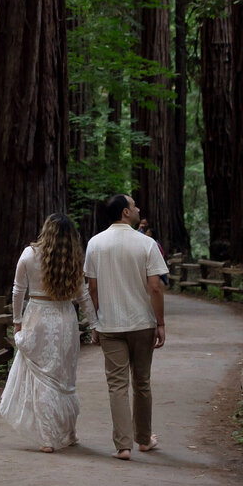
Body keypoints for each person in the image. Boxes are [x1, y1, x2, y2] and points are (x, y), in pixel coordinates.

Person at [0, 214, 94, 452]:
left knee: (43, 379)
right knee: (65, 378)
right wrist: (94, 324)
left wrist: (17, 321)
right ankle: (69, 433)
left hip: (37, 316)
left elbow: (18, 291)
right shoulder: (73, 259)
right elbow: (83, 296)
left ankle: (47, 438)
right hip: (65, 321)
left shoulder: (29, 255)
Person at [84, 193, 168, 460]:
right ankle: (144, 439)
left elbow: (92, 289)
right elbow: (155, 286)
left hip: (109, 324)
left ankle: (122, 446)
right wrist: (160, 323)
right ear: (124, 213)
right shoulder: (147, 244)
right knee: (141, 381)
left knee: (117, 385)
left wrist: (95, 323)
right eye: (134, 205)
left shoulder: (95, 244)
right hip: (142, 323)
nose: (138, 208)